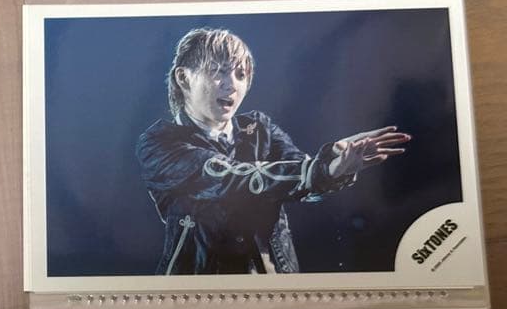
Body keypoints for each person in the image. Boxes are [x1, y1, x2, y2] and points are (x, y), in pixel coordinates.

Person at [135, 27, 411, 275]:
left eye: (240, 74)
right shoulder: (158, 143)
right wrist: (319, 170)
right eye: (217, 71)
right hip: (201, 293)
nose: (231, 85)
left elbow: (304, 183)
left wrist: (334, 165)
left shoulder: (259, 127)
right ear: (184, 78)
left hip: (276, 281)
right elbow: (232, 178)